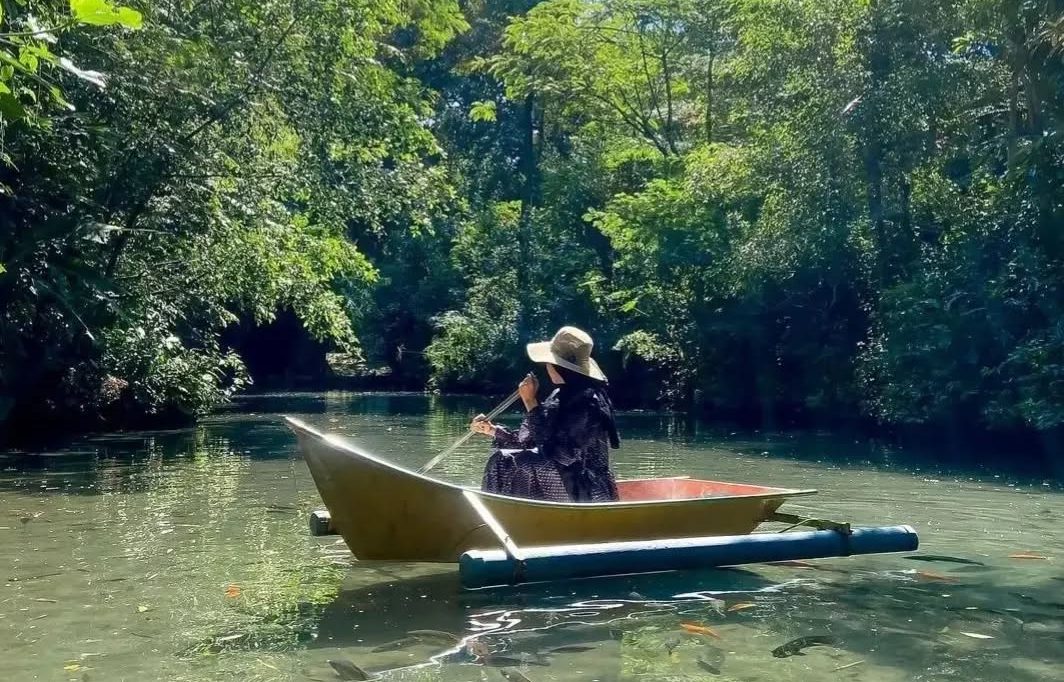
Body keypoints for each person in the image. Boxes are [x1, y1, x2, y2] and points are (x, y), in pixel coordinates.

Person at [471, 326, 620, 502]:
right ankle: (498, 510)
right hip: (567, 480)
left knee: (512, 461)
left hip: (585, 489)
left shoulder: (588, 402)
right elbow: (530, 440)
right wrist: (492, 430)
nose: (547, 366)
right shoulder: (560, 396)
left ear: (558, 366)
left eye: (549, 362)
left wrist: (530, 403)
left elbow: (562, 455)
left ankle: (511, 511)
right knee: (503, 457)